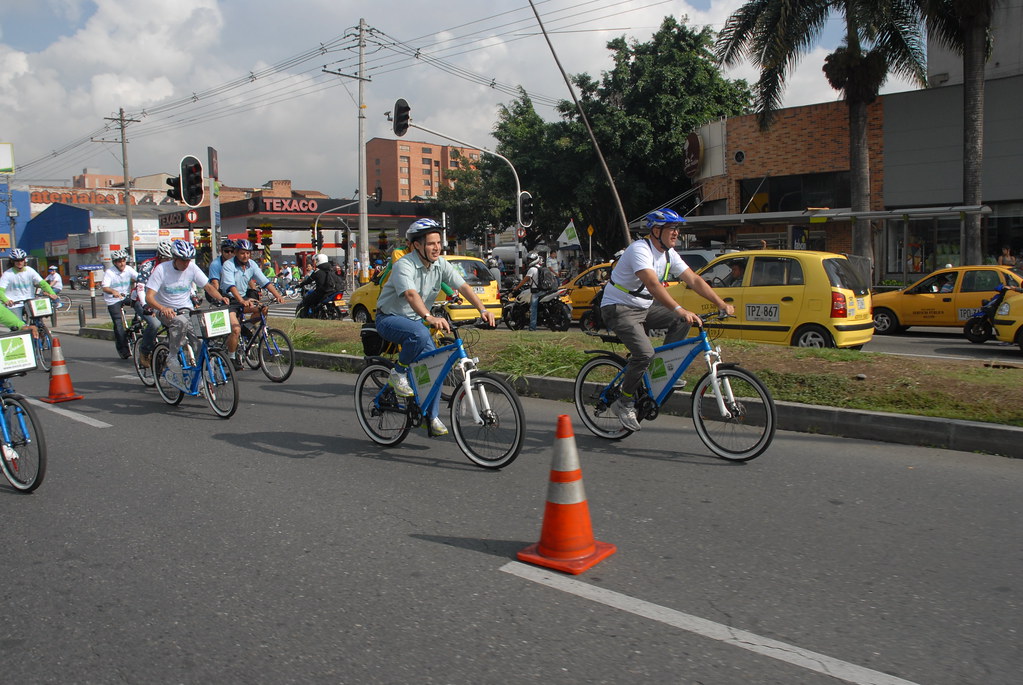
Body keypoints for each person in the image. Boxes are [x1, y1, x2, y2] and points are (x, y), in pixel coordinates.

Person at [601, 209, 734, 432]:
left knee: (684, 322)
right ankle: (624, 401)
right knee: (644, 353)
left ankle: (660, 372)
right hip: (618, 308)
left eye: (677, 229)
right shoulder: (639, 250)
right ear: (656, 230)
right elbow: (653, 285)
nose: (676, 233)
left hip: (643, 307)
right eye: (672, 229)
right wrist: (679, 308)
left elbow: (693, 279)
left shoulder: (669, 254)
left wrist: (720, 303)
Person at [374, 218, 496, 437]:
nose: (437, 247)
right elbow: (411, 294)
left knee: (435, 365)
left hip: (414, 321)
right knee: (420, 333)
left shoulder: (441, 264)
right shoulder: (405, 264)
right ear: (417, 245)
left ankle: (430, 416)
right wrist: (429, 316)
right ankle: (398, 373)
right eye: (431, 243)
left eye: (439, 242)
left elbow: (464, 286)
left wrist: (482, 310)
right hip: (389, 318)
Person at [145, 240, 229, 388]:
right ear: (174, 258)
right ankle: (172, 356)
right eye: (183, 260)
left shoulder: (192, 268)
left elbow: (208, 287)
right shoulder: (161, 270)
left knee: (201, 339)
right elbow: (149, 297)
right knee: (180, 322)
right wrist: (162, 308)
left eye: (188, 260)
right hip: (165, 310)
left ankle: (202, 373)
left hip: (186, 309)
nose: (186, 264)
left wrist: (221, 298)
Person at [220, 239, 286, 369]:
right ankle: (232, 358)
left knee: (263, 309)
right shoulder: (228, 265)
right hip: (229, 300)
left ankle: (247, 326)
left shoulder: (252, 265)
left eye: (248, 253)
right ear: (236, 253)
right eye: (242, 253)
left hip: (244, 297)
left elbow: (264, 281)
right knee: (235, 329)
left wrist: (278, 295)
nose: (245, 256)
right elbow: (231, 286)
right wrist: (241, 300)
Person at [133, 240, 175, 369]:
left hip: (162, 300)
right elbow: (140, 287)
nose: (168, 261)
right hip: (142, 300)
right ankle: (144, 351)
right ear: (160, 256)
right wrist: (146, 305)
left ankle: (165, 350)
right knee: (155, 323)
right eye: (165, 258)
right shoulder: (148, 265)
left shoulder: (174, 266)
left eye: (170, 258)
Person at [0, 248, 57, 322]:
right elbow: (0, 290)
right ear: (12, 261)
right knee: (18, 325)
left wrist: (52, 293)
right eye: (17, 260)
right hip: (15, 303)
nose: (19, 262)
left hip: (30, 301)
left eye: (21, 260)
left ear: (24, 260)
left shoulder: (30, 270)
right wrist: (6, 300)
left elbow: (42, 283)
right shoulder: (7, 274)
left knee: (39, 323)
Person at [100, 249, 139, 359]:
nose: (122, 263)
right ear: (114, 262)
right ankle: (123, 349)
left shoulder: (128, 269)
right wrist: (113, 291)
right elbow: (105, 287)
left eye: (123, 261)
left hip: (125, 296)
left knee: (140, 305)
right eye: (119, 261)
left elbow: (139, 277)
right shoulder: (110, 272)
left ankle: (135, 323)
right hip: (113, 299)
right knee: (118, 324)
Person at [513, 252, 548, 331]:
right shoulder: (541, 267)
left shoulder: (532, 269)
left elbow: (524, 281)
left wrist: (516, 287)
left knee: (533, 310)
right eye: (528, 260)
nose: (529, 261)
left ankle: (532, 327)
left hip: (536, 292)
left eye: (530, 260)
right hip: (544, 290)